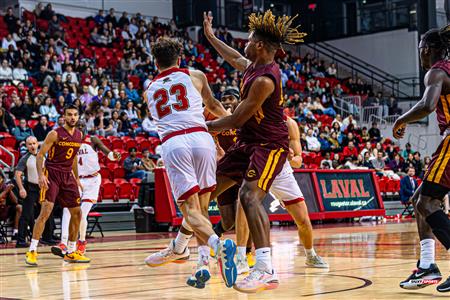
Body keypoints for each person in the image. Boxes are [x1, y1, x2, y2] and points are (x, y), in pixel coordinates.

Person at [203, 10, 305, 293]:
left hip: (269, 146)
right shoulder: (252, 66)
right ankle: (186, 247)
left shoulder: (265, 80)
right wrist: (211, 37)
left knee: (248, 195)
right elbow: (234, 58)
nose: (244, 43)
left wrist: (201, 126)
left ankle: (264, 268)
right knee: (204, 190)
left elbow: (236, 121)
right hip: (247, 143)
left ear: (259, 45)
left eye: (248, 39)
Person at [143, 37, 237, 289]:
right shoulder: (196, 75)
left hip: (175, 143)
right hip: (202, 138)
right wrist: (235, 122)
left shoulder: (149, 90)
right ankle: (200, 264)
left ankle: (217, 246)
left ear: (155, 61)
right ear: (180, 58)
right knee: (202, 210)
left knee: (191, 211)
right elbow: (214, 105)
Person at [393, 25, 450, 292]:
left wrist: (401, 119)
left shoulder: (437, 71)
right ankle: (427, 265)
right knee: (420, 200)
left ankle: (429, 265)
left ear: (426, 49)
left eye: (420, 51)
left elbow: (427, 106)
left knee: (426, 201)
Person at [25, 105, 89, 266]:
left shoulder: (79, 135)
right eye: (69, 115)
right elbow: (40, 155)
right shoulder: (54, 134)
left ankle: (71, 251)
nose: (73, 117)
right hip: (52, 173)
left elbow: (73, 158)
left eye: (75, 115)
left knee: (77, 213)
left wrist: (77, 178)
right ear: (64, 116)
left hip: (68, 175)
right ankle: (32, 250)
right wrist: (41, 175)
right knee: (46, 211)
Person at [52, 121, 120, 257]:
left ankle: (82, 242)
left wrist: (113, 155)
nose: (81, 129)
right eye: (78, 127)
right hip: (76, 179)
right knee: (67, 210)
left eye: (83, 126)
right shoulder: (68, 143)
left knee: (81, 213)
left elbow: (106, 151)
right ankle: (63, 243)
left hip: (93, 180)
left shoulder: (92, 139)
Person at [15, 137, 54, 247]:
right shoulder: (25, 158)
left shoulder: (44, 156)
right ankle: (21, 240)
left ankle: (48, 237)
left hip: (44, 187)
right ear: (26, 146)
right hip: (30, 188)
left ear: (38, 144)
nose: (32, 146)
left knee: (48, 212)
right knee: (26, 214)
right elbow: (17, 174)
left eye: (34, 143)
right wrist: (21, 188)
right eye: (29, 144)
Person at [0, 172, 21, 241]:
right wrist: (6, 191)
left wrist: (10, 190)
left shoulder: (4, 186)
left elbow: (15, 201)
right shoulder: (5, 189)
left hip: (5, 211)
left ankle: (15, 232)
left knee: (19, 207)